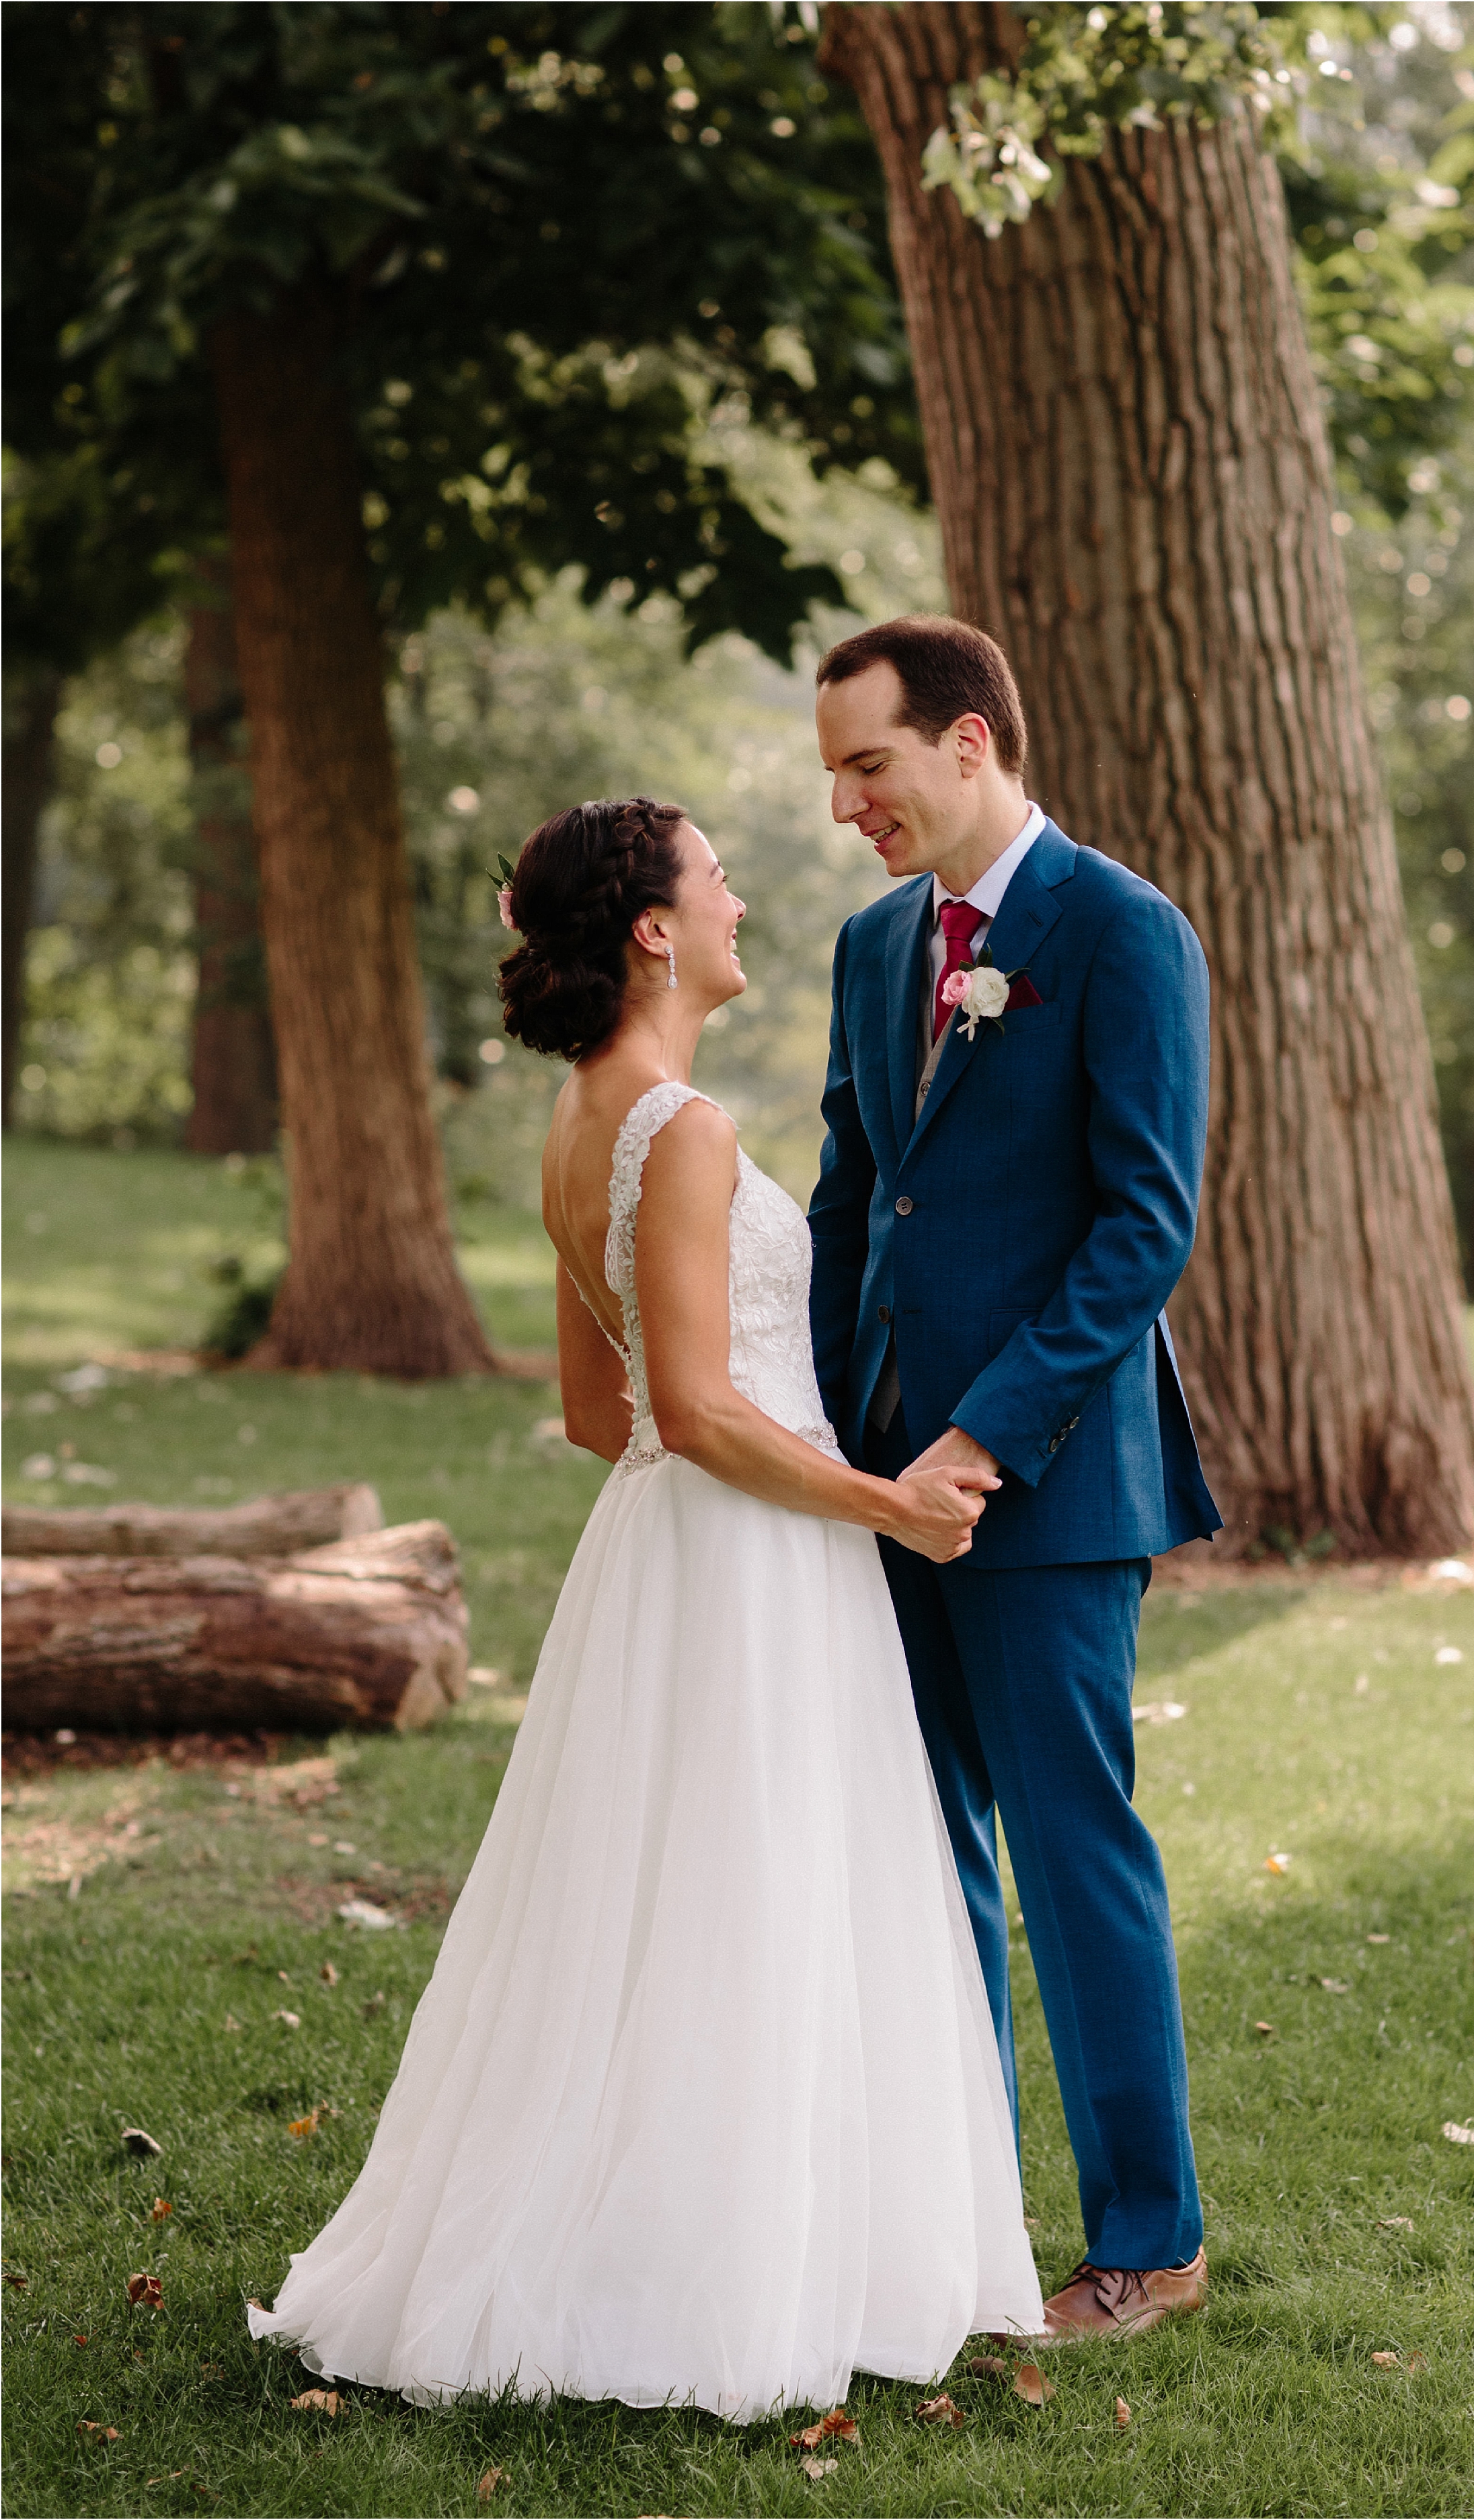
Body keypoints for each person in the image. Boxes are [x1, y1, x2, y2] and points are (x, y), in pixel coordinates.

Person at [247, 795, 1044, 2421]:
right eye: (715, 875)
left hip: (671, 1557)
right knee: (745, 1892)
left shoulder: (580, 1121)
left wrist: (728, 1491)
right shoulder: (674, 1127)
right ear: (654, 930)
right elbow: (680, 1406)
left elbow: (592, 1414)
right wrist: (879, 1501)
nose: (742, 895)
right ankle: (716, 2278)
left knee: (665, 1902)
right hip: (743, 1552)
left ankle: (675, 2224)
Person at [808, 618, 1223, 2341]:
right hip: (876, 1474)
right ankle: (963, 2221)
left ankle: (1149, 2236)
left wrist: (983, 1431)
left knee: (1072, 1850)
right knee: (923, 1853)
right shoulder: (864, 945)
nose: (846, 806)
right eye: (833, 774)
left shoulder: (1122, 932)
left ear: (967, 742)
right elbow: (851, 1193)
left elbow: (1145, 1224)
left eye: (867, 765)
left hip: (1043, 1480)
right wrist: (830, 1438)